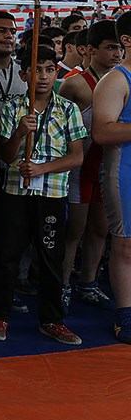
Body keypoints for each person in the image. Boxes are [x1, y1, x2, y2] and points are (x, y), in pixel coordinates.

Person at [0, 45, 86, 346]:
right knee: (7, 256)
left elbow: (77, 156)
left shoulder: (68, 109)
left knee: (51, 257)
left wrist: (43, 168)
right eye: (36, 69)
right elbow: (4, 155)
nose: (43, 76)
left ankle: (52, 319)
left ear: (56, 73)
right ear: (23, 74)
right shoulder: (13, 108)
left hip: (52, 194)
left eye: (49, 69)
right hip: (15, 192)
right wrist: (18, 134)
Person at [60, 21, 122, 309]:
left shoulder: (123, 81)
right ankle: (62, 284)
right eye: (110, 48)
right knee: (74, 230)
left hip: (107, 166)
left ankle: (88, 281)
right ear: (90, 50)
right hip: (79, 168)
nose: (117, 54)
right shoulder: (74, 83)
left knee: (100, 228)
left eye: (120, 48)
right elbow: (57, 125)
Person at [90, 11, 131, 344]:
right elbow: (102, 132)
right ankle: (126, 314)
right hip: (125, 170)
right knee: (126, 245)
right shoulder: (116, 80)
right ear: (127, 40)